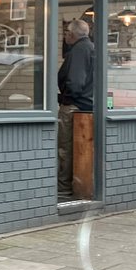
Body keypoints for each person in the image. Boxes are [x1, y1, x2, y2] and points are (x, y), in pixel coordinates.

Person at [58, 18, 95, 197]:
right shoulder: (92, 48)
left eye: (65, 33)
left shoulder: (79, 51)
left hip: (74, 106)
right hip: (88, 105)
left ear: (71, 34)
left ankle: (64, 187)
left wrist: (66, 98)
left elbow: (75, 82)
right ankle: (77, 185)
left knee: (65, 148)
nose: (64, 36)